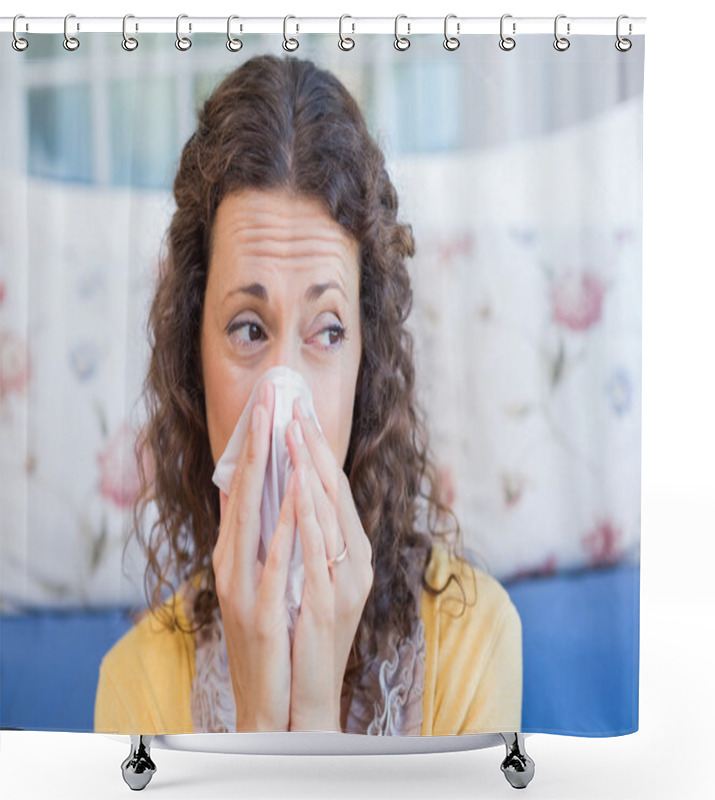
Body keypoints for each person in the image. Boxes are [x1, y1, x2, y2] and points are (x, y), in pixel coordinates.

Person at [94, 53, 522, 736]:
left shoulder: (474, 636)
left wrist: (316, 719)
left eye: (326, 331)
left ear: (366, 362)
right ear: (192, 361)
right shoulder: (133, 683)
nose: (280, 398)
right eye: (248, 328)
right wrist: (263, 722)